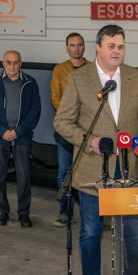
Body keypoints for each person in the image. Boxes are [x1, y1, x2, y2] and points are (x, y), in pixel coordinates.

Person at [54, 24, 138, 275]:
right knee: (90, 235)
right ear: (98, 47)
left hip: (129, 173)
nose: (116, 51)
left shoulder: (136, 77)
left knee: (132, 240)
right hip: (91, 172)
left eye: (121, 46)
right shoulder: (79, 78)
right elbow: (62, 121)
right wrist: (90, 141)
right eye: (111, 45)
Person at [0, 50, 41, 227]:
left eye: (16, 62)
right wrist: (2, 131)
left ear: (20, 64)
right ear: (3, 63)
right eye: (8, 62)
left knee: (23, 176)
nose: (12, 66)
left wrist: (18, 131)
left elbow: (35, 111)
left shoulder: (30, 83)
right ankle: (2, 212)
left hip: (21, 137)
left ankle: (24, 214)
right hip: (0, 136)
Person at [50, 32, 90, 226]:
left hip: (88, 131)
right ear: (67, 48)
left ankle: (89, 215)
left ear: (84, 47)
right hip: (66, 131)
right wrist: (70, 117)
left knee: (87, 174)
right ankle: (65, 213)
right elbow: (55, 98)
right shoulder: (60, 70)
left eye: (79, 44)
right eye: (72, 45)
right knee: (64, 174)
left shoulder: (93, 69)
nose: (76, 48)